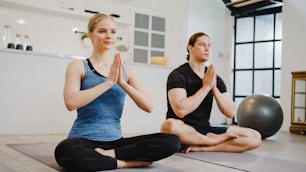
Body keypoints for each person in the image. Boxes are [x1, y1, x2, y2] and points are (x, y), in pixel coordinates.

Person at [54, 13, 181, 171]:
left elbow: (148, 106)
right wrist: (109, 83)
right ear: (90, 35)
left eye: (113, 31)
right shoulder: (78, 66)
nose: (109, 36)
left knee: (172, 141)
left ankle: (110, 155)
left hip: (116, 142)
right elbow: (71, 102)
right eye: (102, 31)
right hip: (82, 140)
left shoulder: (127, 71)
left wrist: (122, 83)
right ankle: (126, 163)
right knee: (64, 151)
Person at [161, 32, 261, 153]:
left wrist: (214, 89)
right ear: (190, 48)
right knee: (169, 125)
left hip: (205, 129)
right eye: (202, 45)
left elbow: (230, 112)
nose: (207, 48)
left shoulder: (213, 77)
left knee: (255, 137)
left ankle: (203, 147)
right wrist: (205, 88)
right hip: (183, 129)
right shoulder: (178, 75)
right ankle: (211, 141)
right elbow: (180, 111)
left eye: (209, 45)